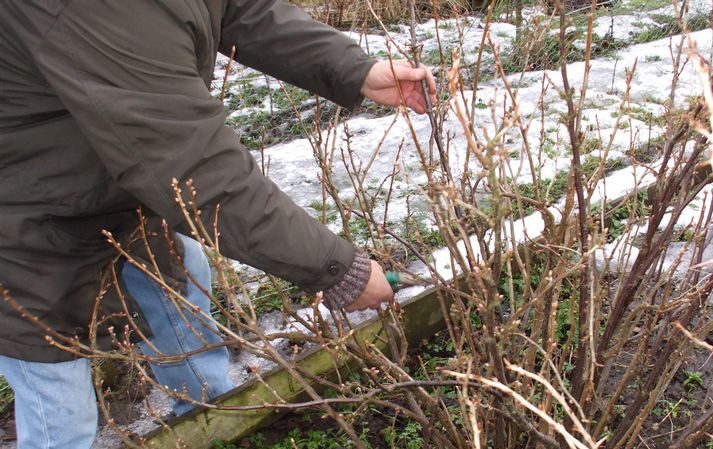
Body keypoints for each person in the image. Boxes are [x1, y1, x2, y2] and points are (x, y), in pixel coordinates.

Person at [0, 1, 437, 447]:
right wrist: (340, 270)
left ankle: (212, 422)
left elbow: (243, 9)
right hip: (23, 214)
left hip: (111, 176)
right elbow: (194, 164)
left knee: (182, 278)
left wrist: (355, 69)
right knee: (58, 405)